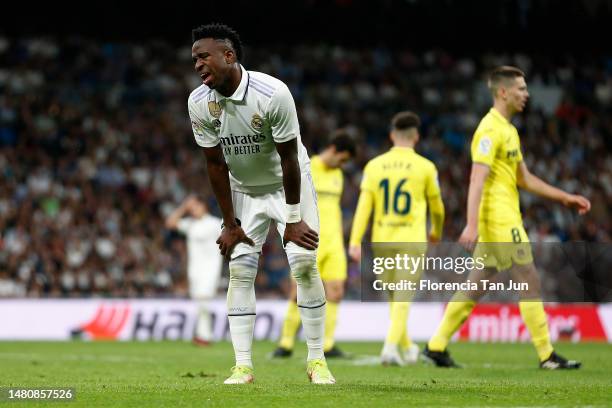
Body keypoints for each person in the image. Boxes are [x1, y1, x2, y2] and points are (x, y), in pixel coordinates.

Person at [187, 23, 334, 384]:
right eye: (194, 59)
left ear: (229, 55)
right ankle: (242, 366)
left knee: (303, 265)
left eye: (204, 56)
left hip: (287, 187)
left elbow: (288, 158)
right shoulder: (199, 102)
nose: (197, 64)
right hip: (244, 190)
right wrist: (229, 223)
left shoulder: (272, 94)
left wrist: (295, 218)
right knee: (240, 271)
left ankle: (317, 361)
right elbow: (215, 164)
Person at [423, 66, 591, 369]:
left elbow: (524, 179)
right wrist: (472, 223)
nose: (526, 95)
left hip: (502, 218)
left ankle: (435, 346)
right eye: (521, 89)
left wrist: (563, 196)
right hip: (499, 220)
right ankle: (546, 355)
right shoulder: (489, 130)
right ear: (503, 92)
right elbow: (476, 178)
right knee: (529, 279)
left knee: (476, 285)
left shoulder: (509, 130)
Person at [348, 112, 445, 366]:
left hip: (382, 239)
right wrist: (436, 230)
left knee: (393, 295)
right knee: (402, 296)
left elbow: (364, 206)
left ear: (392, 136)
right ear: (416, 137)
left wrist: (355, 240)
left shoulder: (375, 165)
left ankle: (408, 346)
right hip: (411, 238)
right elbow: (438, 208)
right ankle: (390, 348)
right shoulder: (426, 167)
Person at [273, 130, 356, 359]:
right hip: (310, 240)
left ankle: (328, 345)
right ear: (334, 150)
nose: (343, 164)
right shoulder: (308, 166)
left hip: (335, 243)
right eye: (343, 159)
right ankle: (286, 343)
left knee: (336, 292)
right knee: (298, 291)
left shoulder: (338, 175)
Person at [165, 195, 222, 345]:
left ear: (204, 207)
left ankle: (205, 336)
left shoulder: (215, 223)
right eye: (192, 208)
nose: (193, 210)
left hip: (211, 268)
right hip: (194, 269)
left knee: (204, 298)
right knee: (199, 301)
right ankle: (203, 334)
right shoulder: (190, 224)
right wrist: (184, 206)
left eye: (196, 206)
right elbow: (170, 223)